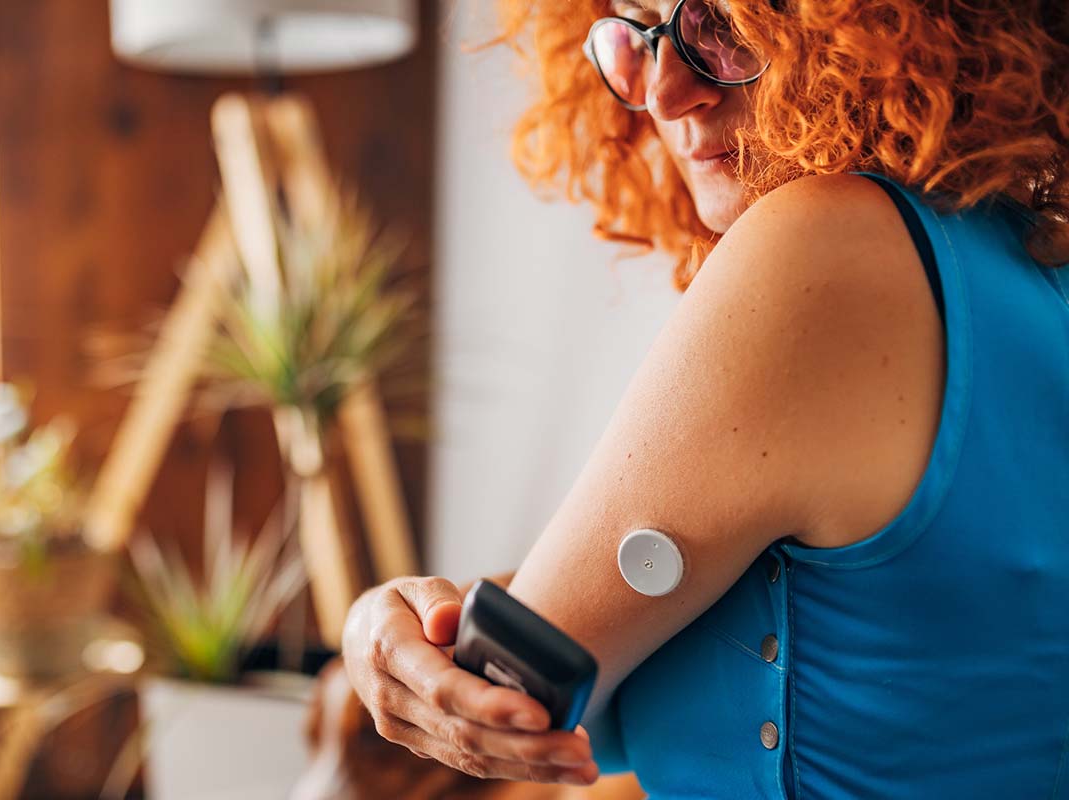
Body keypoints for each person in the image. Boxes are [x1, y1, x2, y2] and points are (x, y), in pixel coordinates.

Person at [341, 0, 1069, 796]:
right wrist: (395, 620)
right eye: (635, 36)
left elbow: (502, 691)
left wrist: (376, 633)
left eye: (720, 26)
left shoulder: (826, 246)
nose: (663, 91)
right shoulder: (1031, 272)